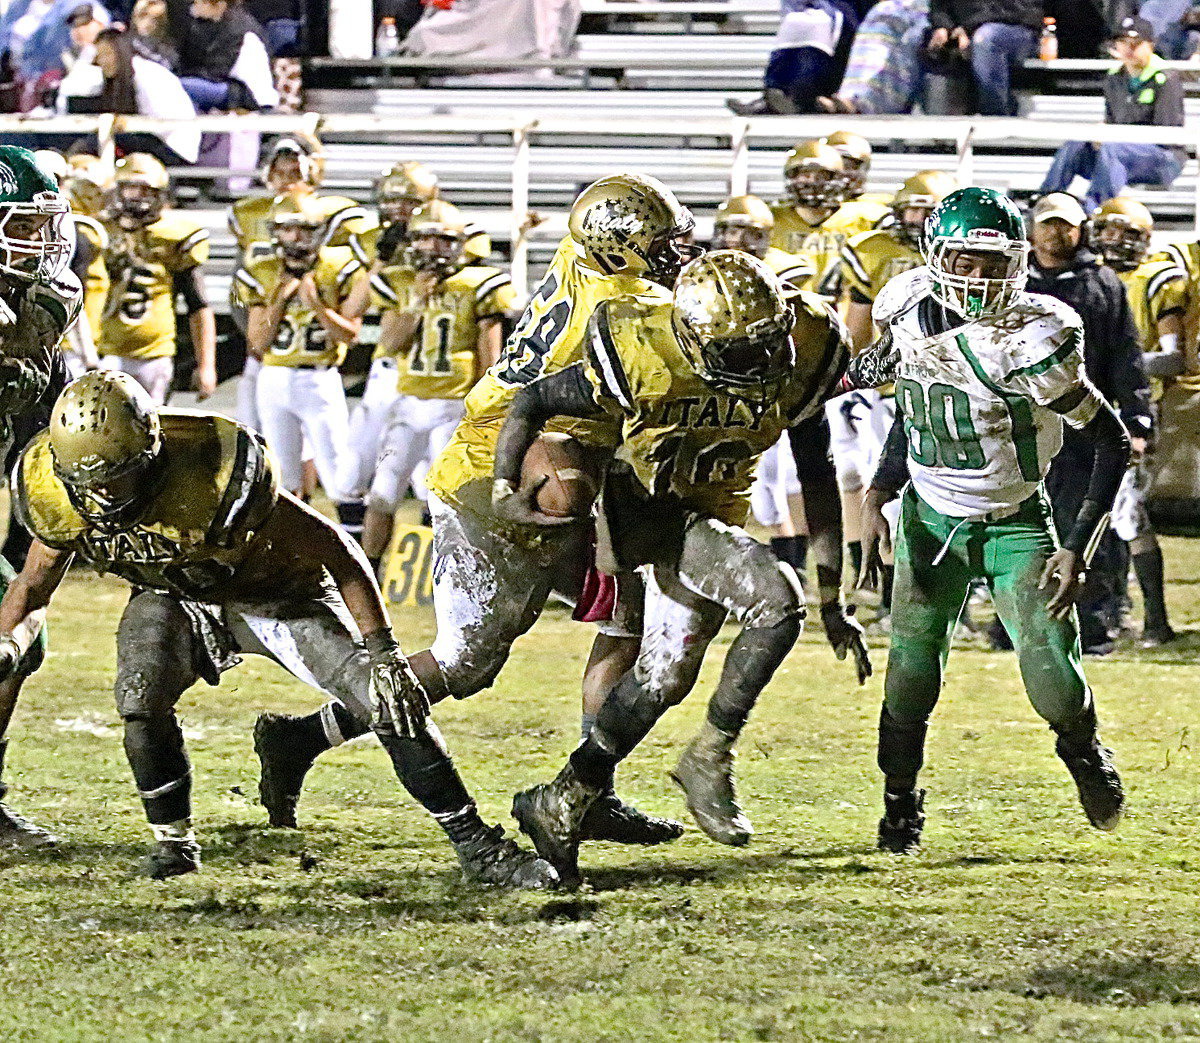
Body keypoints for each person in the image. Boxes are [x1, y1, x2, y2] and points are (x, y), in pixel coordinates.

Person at [252, 174, 697, 849]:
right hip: (500, 474)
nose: (673, 256)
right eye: (657, 245)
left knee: (623, 614)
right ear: (618, 251)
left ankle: (587, 789)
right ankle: (299, 738)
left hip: (562, 463)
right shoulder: (626, 301)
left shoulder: (583, 262)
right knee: (465, 664)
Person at [0, 371, 558, 886]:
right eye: (87, 481)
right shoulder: (54, 493)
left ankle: (479, 848)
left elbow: (338, 551)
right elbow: (31, 587)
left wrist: (384, 652)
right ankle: (174, 843)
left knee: (390, 700)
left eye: (119, 478)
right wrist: (7, 640)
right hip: (179, 594)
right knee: (139, 696)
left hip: (280, 595)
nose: (103, 497)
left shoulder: (213, 469)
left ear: (151, 453)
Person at [501, 252, 871, 887]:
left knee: (665, 676)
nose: (755, 363)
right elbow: (534, 400)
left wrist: (834, 597)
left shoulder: (806, 345)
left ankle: (564, 797)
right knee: (774, 598)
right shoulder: (643, 348)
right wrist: (511, 485)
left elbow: (816, 471)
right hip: (642, 502)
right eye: (737, 350)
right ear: (692, 337)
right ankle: (705, 756)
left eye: (764, 343)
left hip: (712, 505)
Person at [857, 187, 1130, 855]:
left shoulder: (1035, 332)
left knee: (1051, 673)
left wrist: (1078, 543)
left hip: (1016, 520)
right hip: (930, 517)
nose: (977, 278)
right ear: (935, 255)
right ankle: (900, 802)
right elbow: (914, 409)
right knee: (910, 672)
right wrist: (878, 494)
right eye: (963, 261)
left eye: (990, 262)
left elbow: (1111, 439)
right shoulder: (906, 306)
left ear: (1016, 261)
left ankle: (1083, 750)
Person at [1019, 192, 1151, 656]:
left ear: (1081, 230)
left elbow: (1124, 356)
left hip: (1084, 426)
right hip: (1019, 426)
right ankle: (1015, 617)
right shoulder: (1011, 281)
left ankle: (1096, 621)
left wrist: (1136, 420)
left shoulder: (1103, 284)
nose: (1057, 232)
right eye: (1049, 223)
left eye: (1066, 225)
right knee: (1022, 522)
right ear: (1032, 228)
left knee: (1087, 523)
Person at [359, 201, 517, 574]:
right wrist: (416, 300)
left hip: (453, 406)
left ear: (461, 243)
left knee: (445, 501)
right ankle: (368, 572)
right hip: (408, 403)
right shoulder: (400, 282)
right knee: (382, 492)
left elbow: (489, 359)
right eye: (424, 239)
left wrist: (483, 413)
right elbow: (392, 344)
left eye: (442, 240)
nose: (432, 249)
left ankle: (447, 576)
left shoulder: (478, 284)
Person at [0, 146, 83, 850]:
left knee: (19, 639)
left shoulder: (39, 306)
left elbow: (41, 430)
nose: (44, 242)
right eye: (25, 226)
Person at [839, 169, 959, 618]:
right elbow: (856, 329)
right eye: (913, 208)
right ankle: (886, 589)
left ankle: (944, 590)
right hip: (890, 389)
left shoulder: (967, 259)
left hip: (950, 386)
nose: (918, 219)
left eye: (929, 211)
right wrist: (856, 378)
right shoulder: (874, 251)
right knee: (877, 487)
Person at [1089, 195, 1182, 646]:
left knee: (1125, 512)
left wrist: (1116, 364)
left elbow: (1173, 358)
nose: (1115, 241)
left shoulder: (1154, 279)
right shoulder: (1086, 278)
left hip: (1132, 409)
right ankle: (1114, 609)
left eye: (1127, 233)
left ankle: (1155, 620)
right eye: (1107, 230)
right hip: (1083, 409)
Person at [229, 134, 368, 433]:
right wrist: (251, 332)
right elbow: (241, 281)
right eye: (279, 173)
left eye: (294, 173)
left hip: (312, 340)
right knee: (255, 433)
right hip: (267, 341)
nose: (286, 181)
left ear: (313, 173)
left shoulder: (332, 215)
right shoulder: (250, 214)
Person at [240, 193, 363, 530]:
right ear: (275, 232)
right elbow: (258, 341)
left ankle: (363, 559)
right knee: (282, 476)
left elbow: (348, 336)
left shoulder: (338, 268)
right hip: (274, 376)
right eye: (288, 229)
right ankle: (293, 556)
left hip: (319, 378)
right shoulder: (261, 270)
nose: (295, 238)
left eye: (305, 230)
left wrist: (318, 307)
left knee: (340, 476)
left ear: (320, 233)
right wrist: (280, 299)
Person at [712, 194, 815, 572]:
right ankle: (790, 567)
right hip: (725, 386)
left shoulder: (783, 269)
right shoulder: (707, 268)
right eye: (728, 230)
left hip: (769, 385)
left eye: (746, 231)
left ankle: (792, 566)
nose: (735, 241)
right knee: (765, 484)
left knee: (776, 480)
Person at [99, 152, 215, 405]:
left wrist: (207, 366)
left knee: (152, 432)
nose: (137, 197)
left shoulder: (174, 235)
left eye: (144, 190)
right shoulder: (100, 230)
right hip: (102, 351)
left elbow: (199, 305)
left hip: (155, 353)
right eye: (130, 188)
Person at [1039, 16, 1184, 211]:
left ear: (1150, 45)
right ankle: (1045, 200)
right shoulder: (1114, 77)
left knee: (1113, 149)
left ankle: (1093, 208)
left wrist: (1113, 137)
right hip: (1118, 153)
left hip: (1163, 158)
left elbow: (1167, 134)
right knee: (1076, 144)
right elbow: (1111, 119)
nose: (1128, 49)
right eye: (1123, 43)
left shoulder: (1166, 77)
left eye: (1136, 43)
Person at [57, 26, 200, 166]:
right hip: (149, 142)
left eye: (108, 54)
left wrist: (127, 124)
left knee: (104, 140)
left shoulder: (148, 75)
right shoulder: (119, 81)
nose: (103, 61)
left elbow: (165, 124)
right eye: (100, 56)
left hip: (174, 148)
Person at [727, 0, 859, 115]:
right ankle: (773, 95)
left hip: (844, 15)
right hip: (807, 11)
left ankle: (798, 99)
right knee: (796, 23)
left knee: (817, 26)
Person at [924, 0, 1042, 117]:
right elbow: (939, 6)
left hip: (1016, 29)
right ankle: (911, 118)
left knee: (985, 38)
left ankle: (996, 116)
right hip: (966, 29)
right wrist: (943, 26)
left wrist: (969, 27)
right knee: (914, 38)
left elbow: (1017, 10)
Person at [816, 0, 932, 115]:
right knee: (885, 10)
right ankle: (853, 95)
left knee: (906, 26)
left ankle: (866, 102)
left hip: (939, 14)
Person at [178, 0, 277, 111]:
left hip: (245, 94)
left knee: (178, 86)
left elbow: (218, 70)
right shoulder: (204, 25)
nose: (193, 8)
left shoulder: (239, 29)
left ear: (219, 5)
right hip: (223, 84)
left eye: (198, 3)